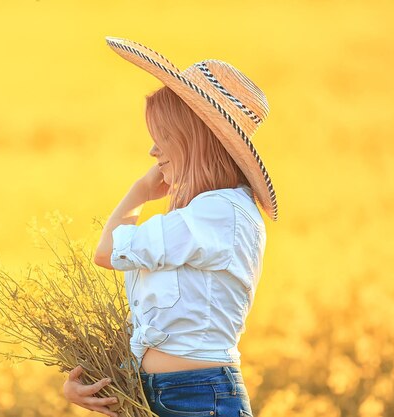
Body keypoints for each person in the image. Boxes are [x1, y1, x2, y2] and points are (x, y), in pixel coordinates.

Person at [63, 36, 278, 417]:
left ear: (193, 140)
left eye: (162, 138)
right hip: (169, 395)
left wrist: (141, 191)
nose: (153, 151)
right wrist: (93, 381)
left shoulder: (220, 213)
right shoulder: (201, 215)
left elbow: (107, 251)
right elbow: (163, 329)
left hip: (200, 397)